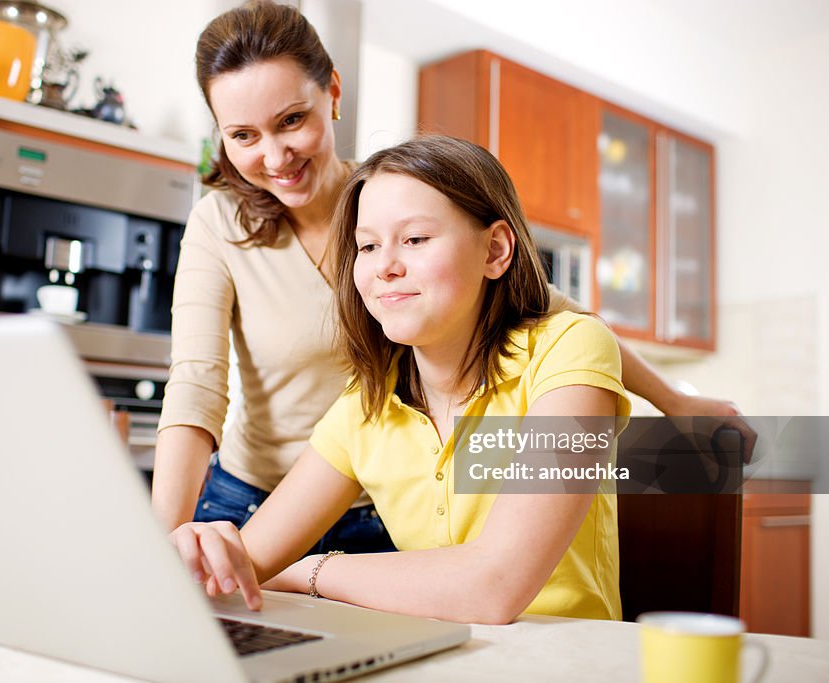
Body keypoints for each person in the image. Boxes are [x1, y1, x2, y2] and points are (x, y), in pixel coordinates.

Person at [152, 0, 751, 546]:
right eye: (243, 136)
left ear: (333, 92)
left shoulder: (389, 200)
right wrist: (162, 541)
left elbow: (550, 307)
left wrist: (674, 401)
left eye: (291, 120)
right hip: (253, 502)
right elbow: (196, 387)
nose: (275, 157)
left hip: (388, 503)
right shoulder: (218, 226)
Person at [170, 135, 631, 624]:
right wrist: (206, 549)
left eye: (415, 239)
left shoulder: (569, 349)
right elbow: (248, 562)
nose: (385, 267)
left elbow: (495, 587)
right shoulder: (366, 404)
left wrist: (314, 569)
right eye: (367, 245)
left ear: (495, 250)